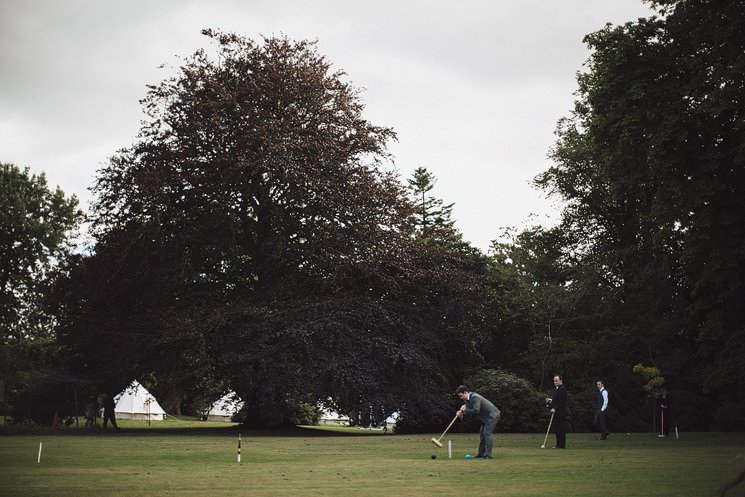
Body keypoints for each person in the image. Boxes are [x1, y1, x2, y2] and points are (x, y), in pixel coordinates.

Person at [455, 385, 501, 459]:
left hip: (492, 416)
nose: (461, 398)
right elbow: (468, 409)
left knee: (487, 434)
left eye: (461, 396)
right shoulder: (466, 400)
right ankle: (481, 454)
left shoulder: (475, 397)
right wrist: (461, 413)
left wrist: (464, 411)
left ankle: (488, 455)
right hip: (485, 418)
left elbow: (476, 410)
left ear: (465, 392)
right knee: (482, 434)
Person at [549, 374, 567, 448]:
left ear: (560, 381)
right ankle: (558, 444)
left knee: (560, 428)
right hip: (557, 413)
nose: (555, 382)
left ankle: (561, 445)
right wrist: (551, 401)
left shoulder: (562, 389)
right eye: (554, 381)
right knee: (557, 428)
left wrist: (555, 408)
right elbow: (556, 400)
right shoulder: (557, 389)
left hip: (560, 412)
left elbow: (561, 401)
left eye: (556, 381)